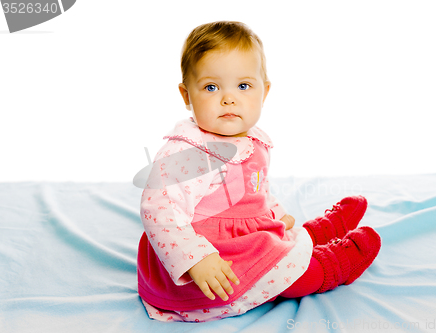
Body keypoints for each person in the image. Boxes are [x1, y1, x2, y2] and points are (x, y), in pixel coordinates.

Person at [137, 21, 381, 322]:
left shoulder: (250, 138)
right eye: (211, 87)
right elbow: (160, 207)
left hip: (242, 236)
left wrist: (275, 215)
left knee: (280, 236)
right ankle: (330, 264)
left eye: (243, 86)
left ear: (264, 92)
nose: (228, 98)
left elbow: (255, 191)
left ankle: (312, 234)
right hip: (212, 260)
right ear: (186, 94)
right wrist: (195, 258)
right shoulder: (190, 151)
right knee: (290, 280)